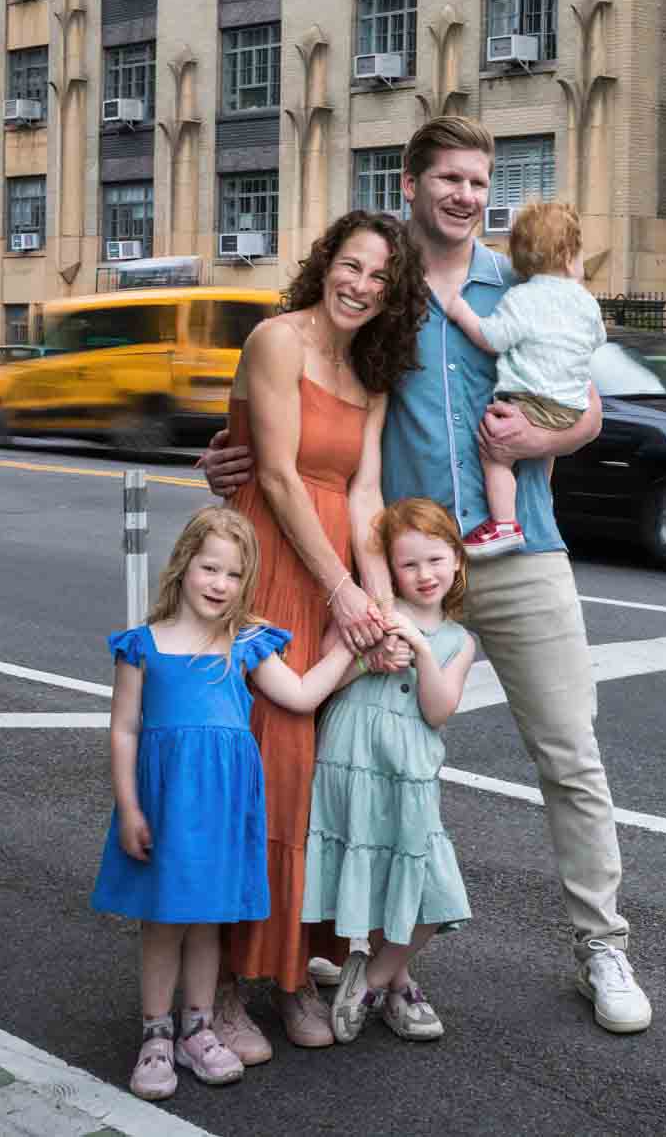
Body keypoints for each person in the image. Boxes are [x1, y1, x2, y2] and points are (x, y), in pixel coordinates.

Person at [201, 116, 652, 1035]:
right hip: (404, 575)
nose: (466, 196)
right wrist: (231, 456)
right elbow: (307, 410)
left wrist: (550, 433)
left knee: (571, 753)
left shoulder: (522, 283)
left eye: (480, 182)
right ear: (409, 183)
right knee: (376, 768)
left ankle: (602, 944)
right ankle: (377, 957)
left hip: (523, 550)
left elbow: (590, 405)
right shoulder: (384, 293)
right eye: (448, 178)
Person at [211, 208, 430, 1059]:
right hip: (272, 561)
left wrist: (382, 613)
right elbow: (271, 471)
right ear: (325, 262)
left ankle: (296, 972)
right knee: (264, 770)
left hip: (337, 571)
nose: (362, 286)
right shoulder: (277, 339)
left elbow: (367, 493)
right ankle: (226, 983)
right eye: (352, 266)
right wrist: (343, 592)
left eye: (381, 278)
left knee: (323, 784)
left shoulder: (370, 370)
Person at [90, 506, 356, 1102]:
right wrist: (129, 808)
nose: (219, 585)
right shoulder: (143, 645)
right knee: (162, 921)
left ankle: (199, 1028)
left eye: (234, 576)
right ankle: (155, 1036)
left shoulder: (246, 644)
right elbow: (124, 730)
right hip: (165, 804)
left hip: (223, 807)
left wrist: (346, 648)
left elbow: (303, 693)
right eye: (210, 568)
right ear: (184, 565)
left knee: (208, 920)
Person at [304, 497, 475, 1044]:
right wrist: (371, 655)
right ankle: (395, 984)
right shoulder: (372, 614)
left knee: (432, 886)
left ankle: (372, 979)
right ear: (391, 570)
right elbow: (327, 677)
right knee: (375, 869)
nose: (424, 575)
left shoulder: (458, 641)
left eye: (435, 560)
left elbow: (439, 709)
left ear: (456, 561)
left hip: (407, 772)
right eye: (409, 565)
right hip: (351, 761)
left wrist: (421, 649)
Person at [441, 201, 605, 560]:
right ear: (566, 257)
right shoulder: (586, 302)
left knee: (494, 453)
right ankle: (539, 496)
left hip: (531, 403)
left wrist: (460, 312)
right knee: (541, 455)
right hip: (571, 404)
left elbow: (492, 338)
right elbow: (597, 340)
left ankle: (504, 523)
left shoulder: (521, 297)